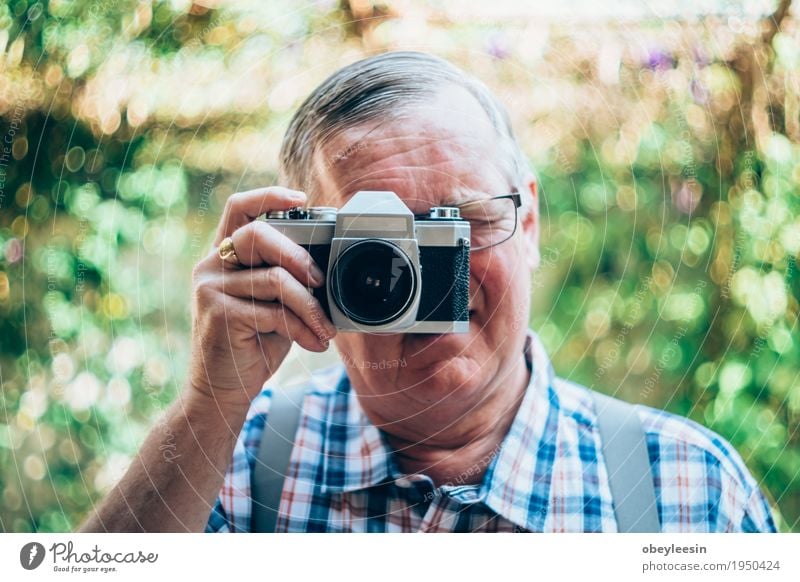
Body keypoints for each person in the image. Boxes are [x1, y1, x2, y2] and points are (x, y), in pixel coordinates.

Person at [81, 51, 776, 533]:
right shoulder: (230, 465)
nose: (425, 275)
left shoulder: (688, 492)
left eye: (463, 221)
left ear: (527, 222)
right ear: (302, 257)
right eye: (379, 242)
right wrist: (211, 405)